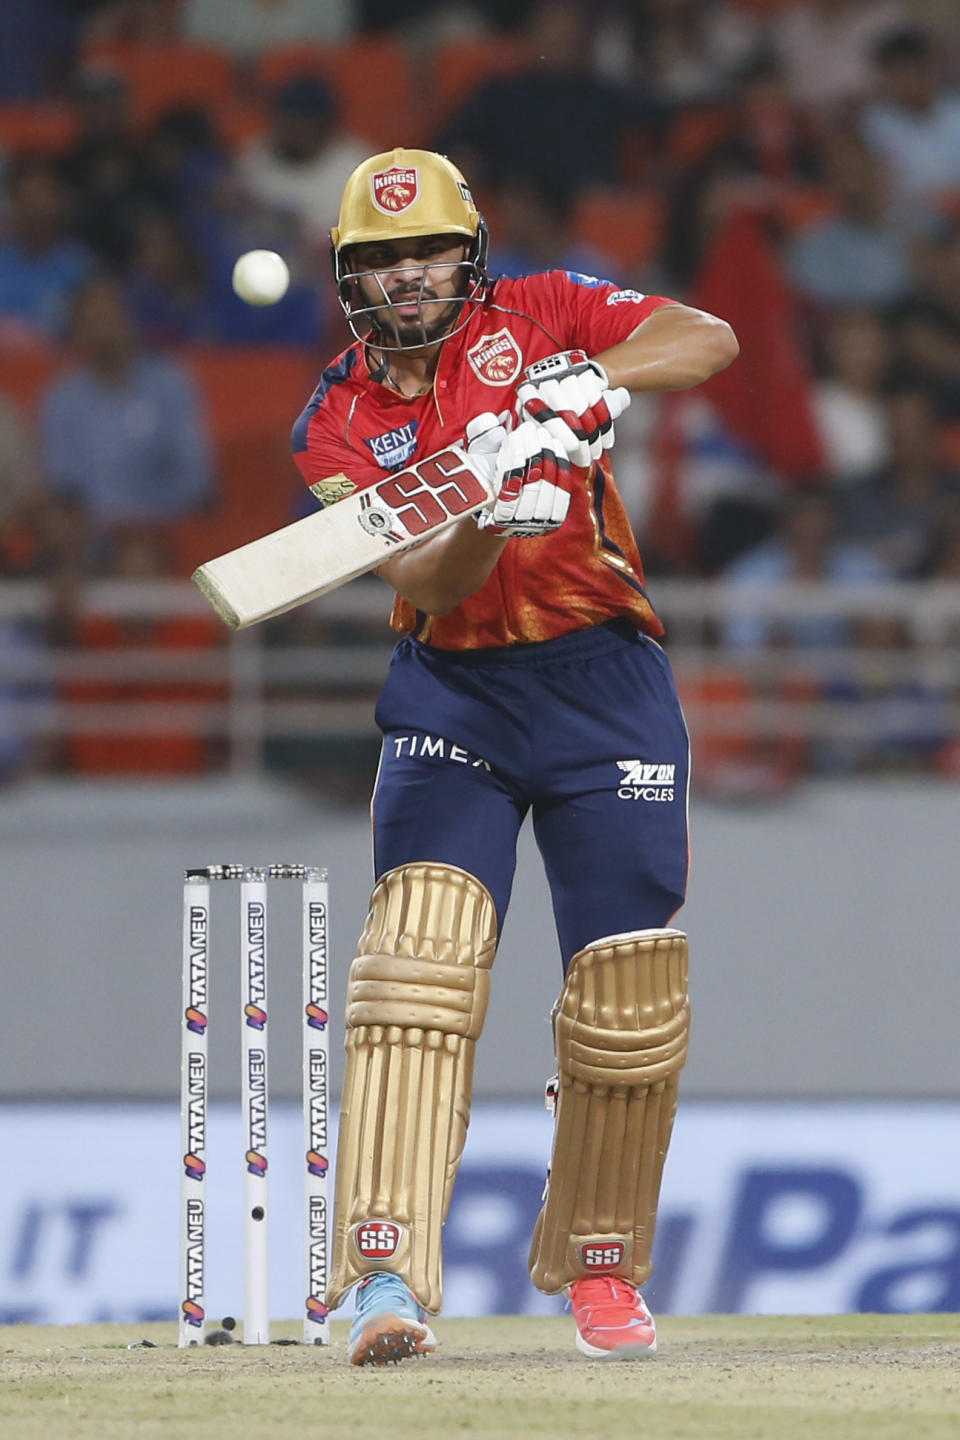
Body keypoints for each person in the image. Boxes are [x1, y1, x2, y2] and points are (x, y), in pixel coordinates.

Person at [292, 147, 737, 1365]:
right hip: (456, 689)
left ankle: (601, 1270)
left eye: (428, 251)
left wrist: (572, 393)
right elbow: (423, 580)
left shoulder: (540, 311)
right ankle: (383, 1277)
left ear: (469, 253)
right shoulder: (338, 422)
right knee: (416, 964)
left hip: (606, 683)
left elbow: (705, 338)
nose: (409, 278)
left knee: (627, 991)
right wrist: (491, 498)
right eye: (381, 262)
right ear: (350, 281)